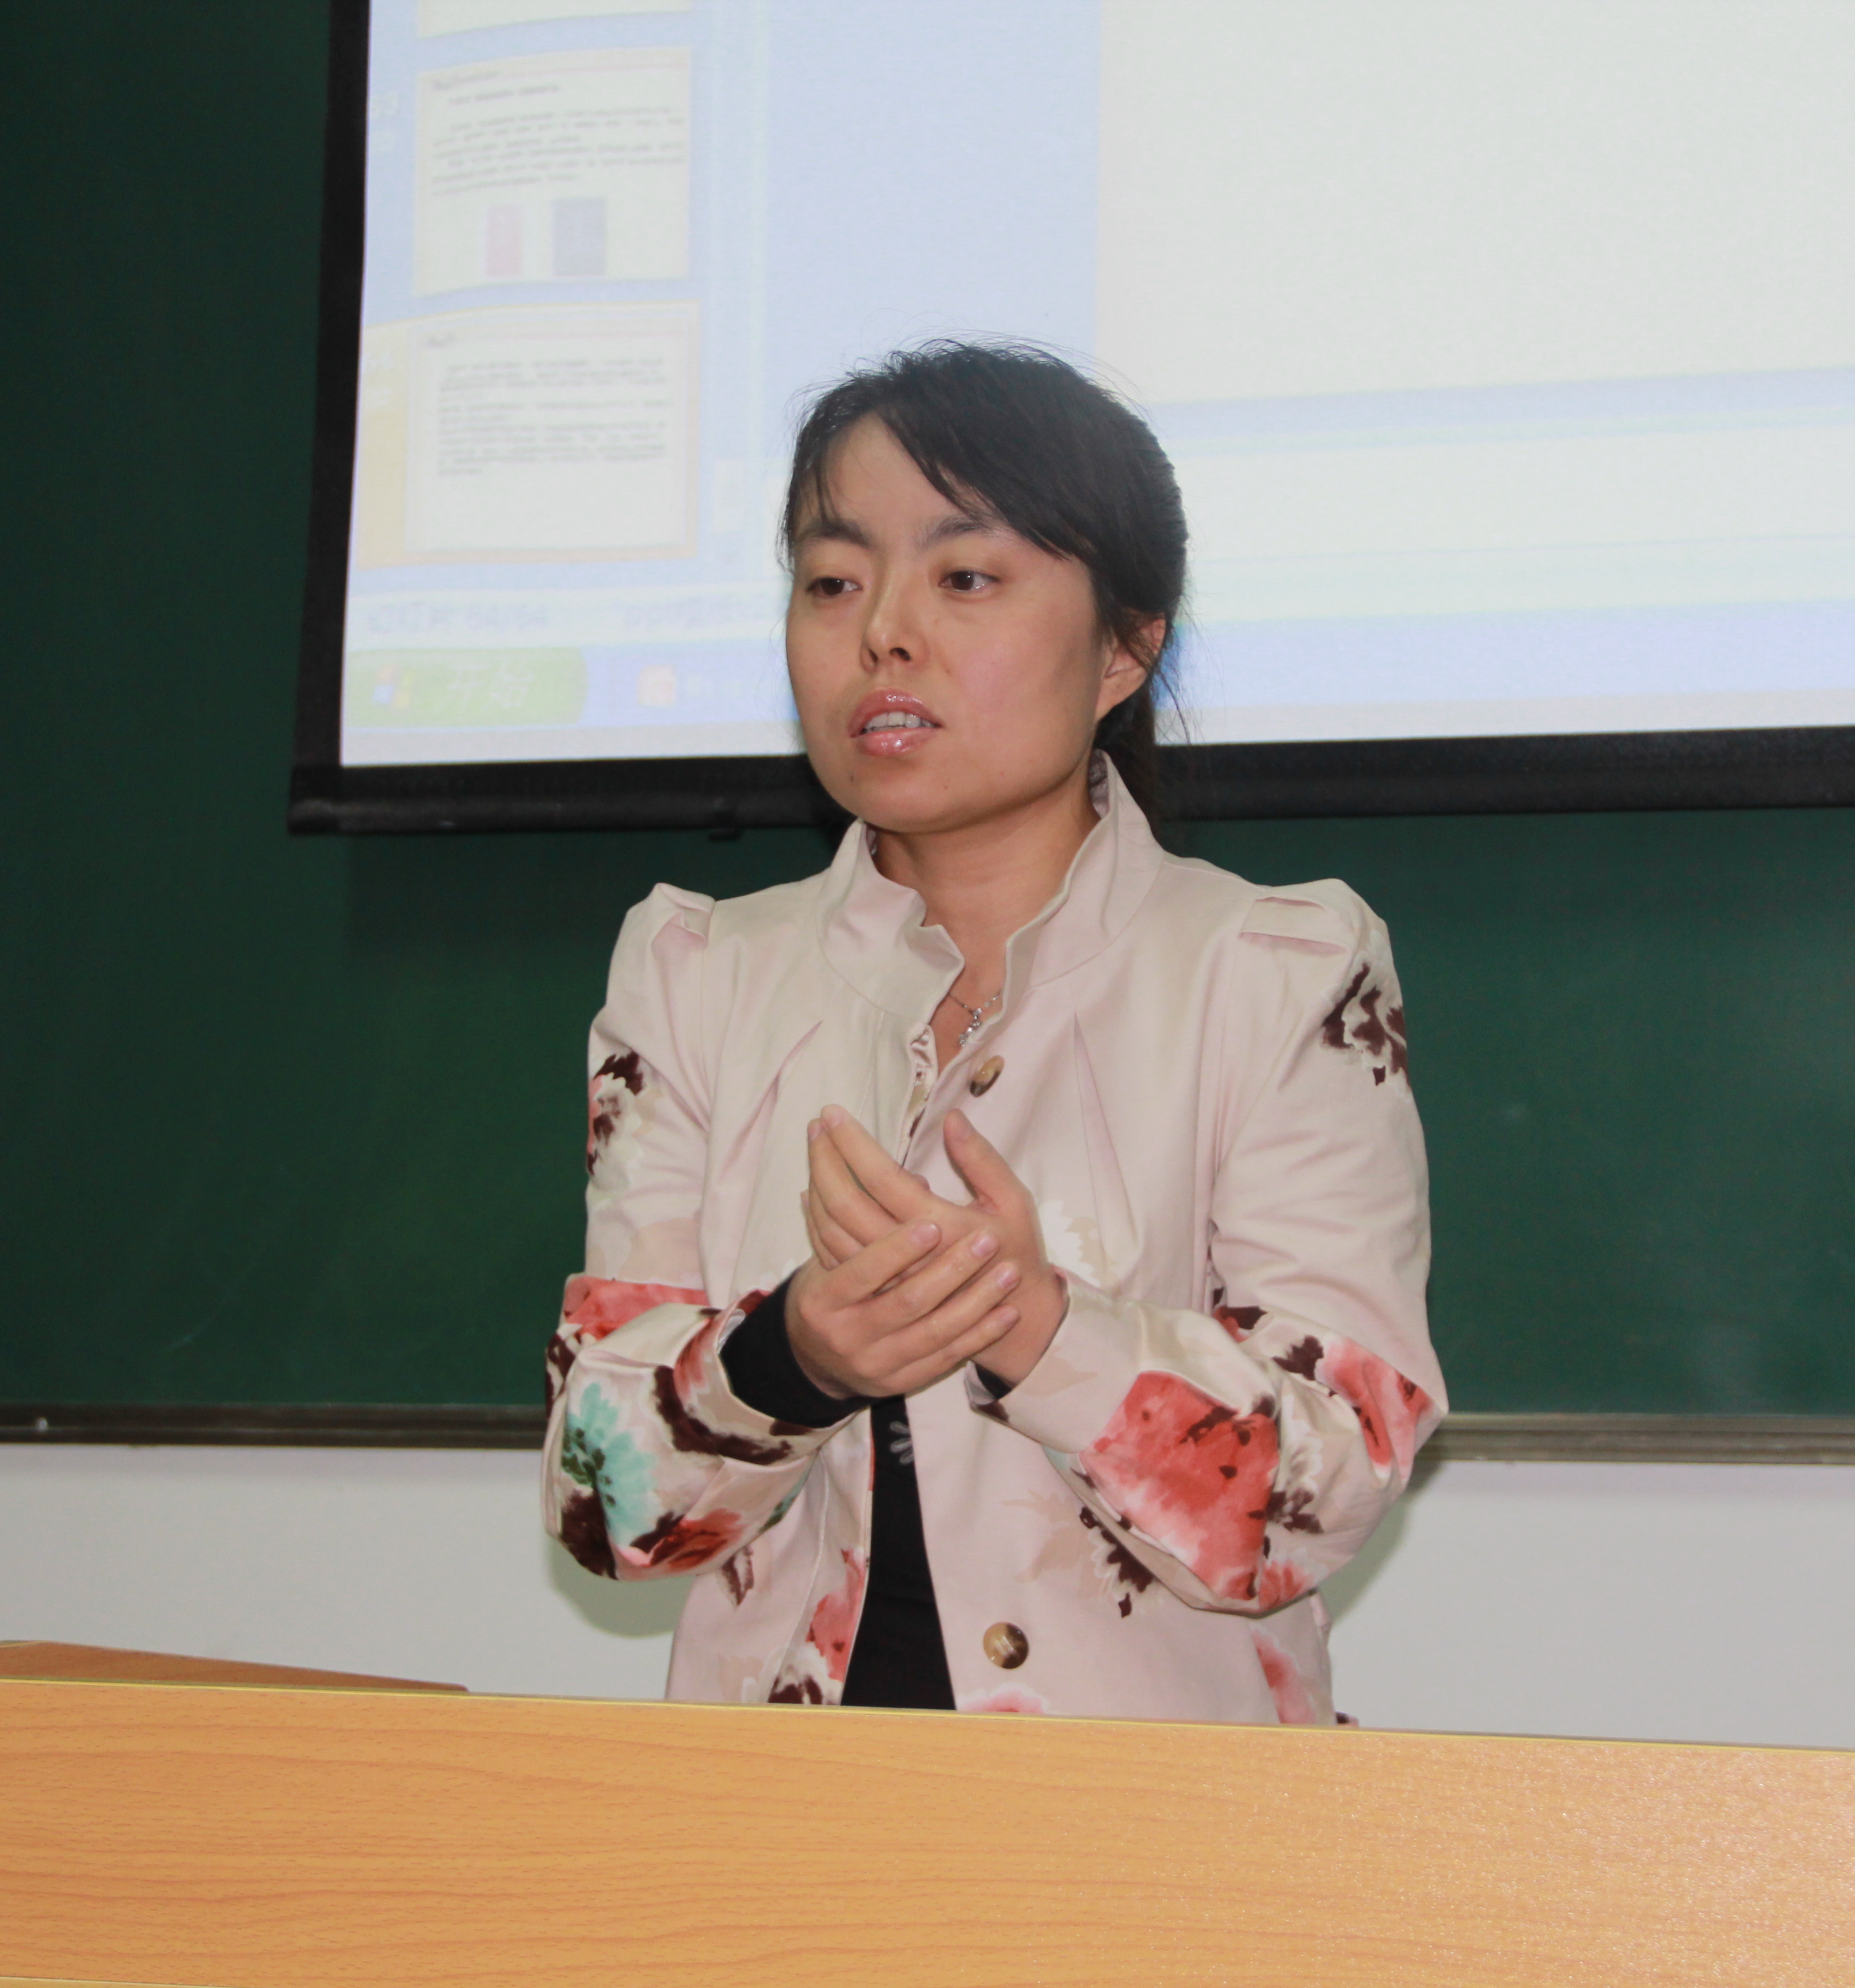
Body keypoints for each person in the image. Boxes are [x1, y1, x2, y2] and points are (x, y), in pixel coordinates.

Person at [539, 341, 1442, 1723]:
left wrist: (1038, 1325)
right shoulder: (699, 974)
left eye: (965, 578)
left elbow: (1327, 1486)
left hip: (1151, 1831)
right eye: (833, 582)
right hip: (776, 1826)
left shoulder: (1276, 971)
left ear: (1126, 647)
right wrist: (794, 1357)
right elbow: (604, 1507)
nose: (884, 632)